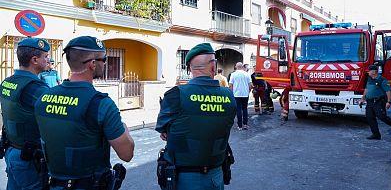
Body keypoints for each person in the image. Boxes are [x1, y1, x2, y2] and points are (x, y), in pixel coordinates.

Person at [34, 36, 134, 189]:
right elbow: (126, 154)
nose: (106, 63)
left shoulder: (43, 97)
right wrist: (125, 129)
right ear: (93, 64)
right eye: (103, 59)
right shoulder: (101, 104)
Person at [155, 43, 236, 190]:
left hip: (183, 179)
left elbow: (163, 130)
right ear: (213, 67)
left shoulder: (175, 95)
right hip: (216, 177)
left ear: (189, 69)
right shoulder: (229, 96)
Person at [0, 37, 50, 189]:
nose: (49, 60)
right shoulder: (36, 89)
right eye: (46, 57)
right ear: (35, 59)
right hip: (28, 159)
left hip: (12, 151)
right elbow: (58, 120)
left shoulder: (8, 81)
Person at [360, 65, 391, 140]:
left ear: (374, 71)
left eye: (369, 71)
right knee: (369, 117)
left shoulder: (382, 79)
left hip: (379, 101)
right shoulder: (369, 79)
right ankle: (376, 134)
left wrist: (389, 102)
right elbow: (366, 89)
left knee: (382, 116)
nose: (368, 72)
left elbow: (388, 91)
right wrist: (363, 98)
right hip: (370, 101)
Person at [229, 62, 252, 130]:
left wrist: (231, 93)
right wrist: (248, 91)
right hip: (245, 94)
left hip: (236, 95)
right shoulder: (247, 74)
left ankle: (239, 126)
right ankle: (245, 124)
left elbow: (230, 85)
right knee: (245, 109)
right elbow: (250, 85)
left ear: (236, 67)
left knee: (238, 109)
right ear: (242, 67)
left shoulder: (233, 74)